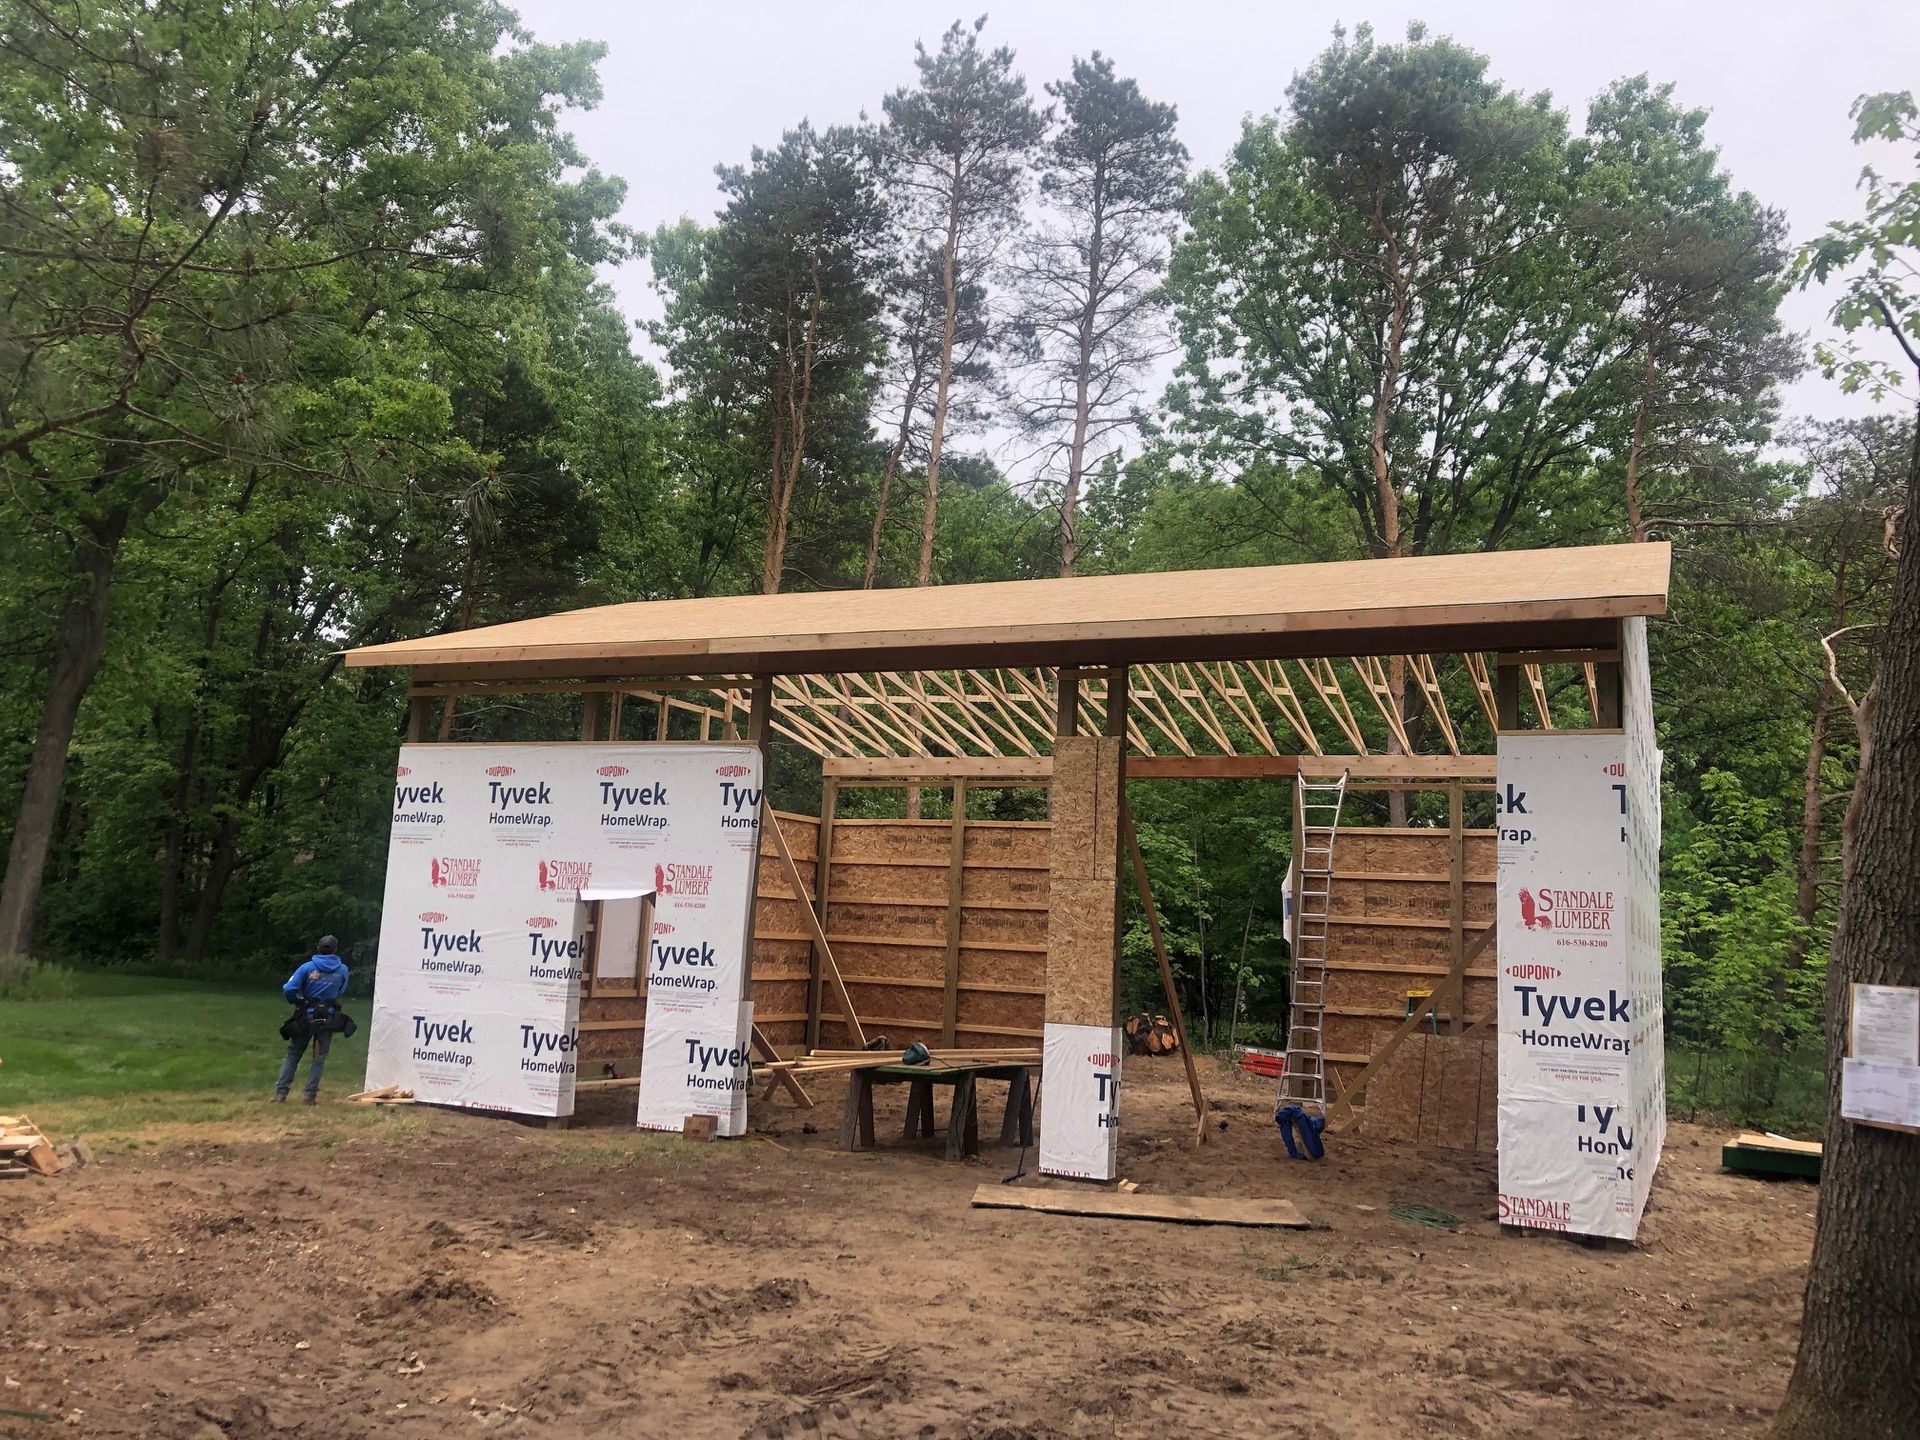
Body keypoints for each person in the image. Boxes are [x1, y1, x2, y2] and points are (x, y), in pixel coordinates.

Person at [274, 936, 350, 1104]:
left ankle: (281, 1093)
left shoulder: (307, 967)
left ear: (318, 948)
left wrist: (298, 1000)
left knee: (294, 1053)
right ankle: (310, 1095)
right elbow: (341, 990)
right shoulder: (342, 970)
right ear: (335, 950)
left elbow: (289, 989)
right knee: (318, 1058)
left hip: (305, 1017)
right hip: (328, 1018)